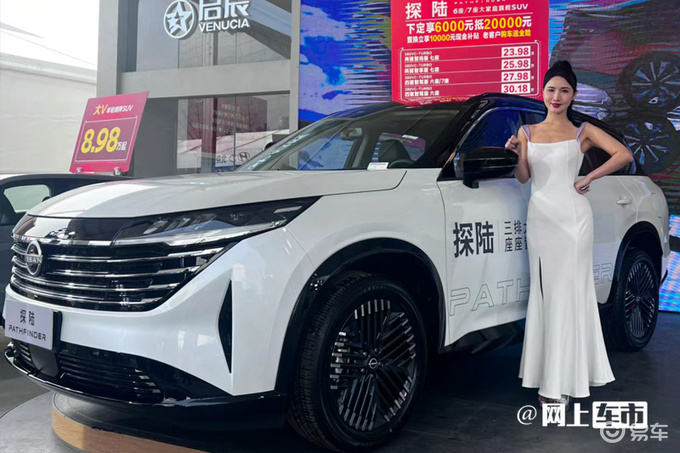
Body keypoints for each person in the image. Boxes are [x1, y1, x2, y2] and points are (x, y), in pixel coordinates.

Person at [504, 60, 633, 407]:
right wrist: (516, 154)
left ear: (573, 95)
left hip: (574, 219)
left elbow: (623, 154)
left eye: (564, 90)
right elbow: (523, 178)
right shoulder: (527, 132)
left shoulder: (583, 131)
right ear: (542, 93)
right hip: (540, 218)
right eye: (551, 90)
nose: (556, 96)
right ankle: (549, 374)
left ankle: (561, 382)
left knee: (569, 295)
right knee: (546, 295)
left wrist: (589, 177)